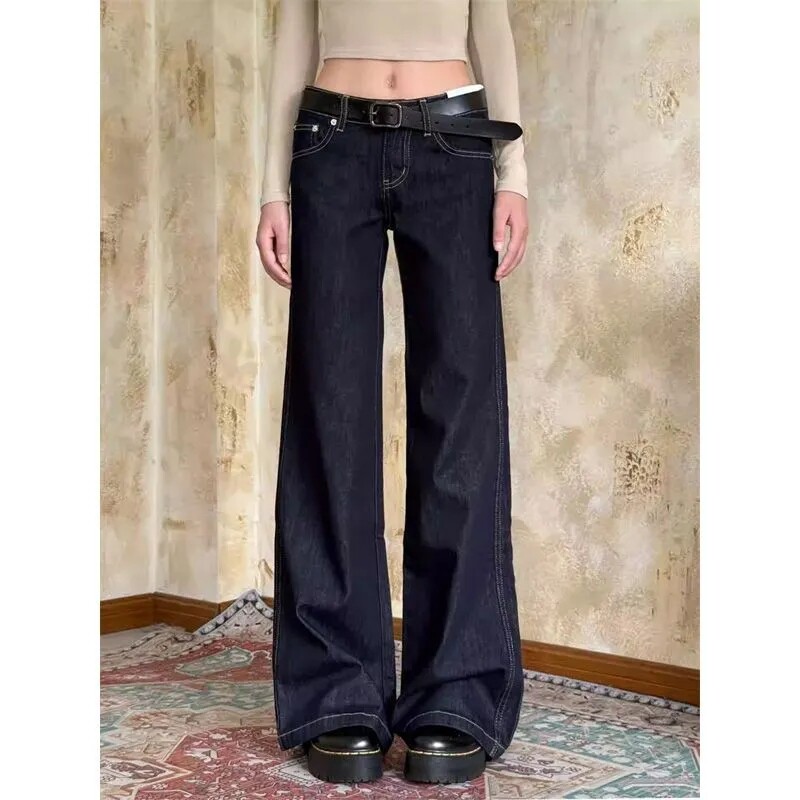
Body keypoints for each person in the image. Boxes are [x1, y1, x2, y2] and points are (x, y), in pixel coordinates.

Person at [256, 0, 528, 786]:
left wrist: (515, 173)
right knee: (329, 417)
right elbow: (294, 33)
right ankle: (336, 692)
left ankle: (458, 693)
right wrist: (273, 189)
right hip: (330, 142)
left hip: (456, 141)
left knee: (460, 418)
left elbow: (492, 27)